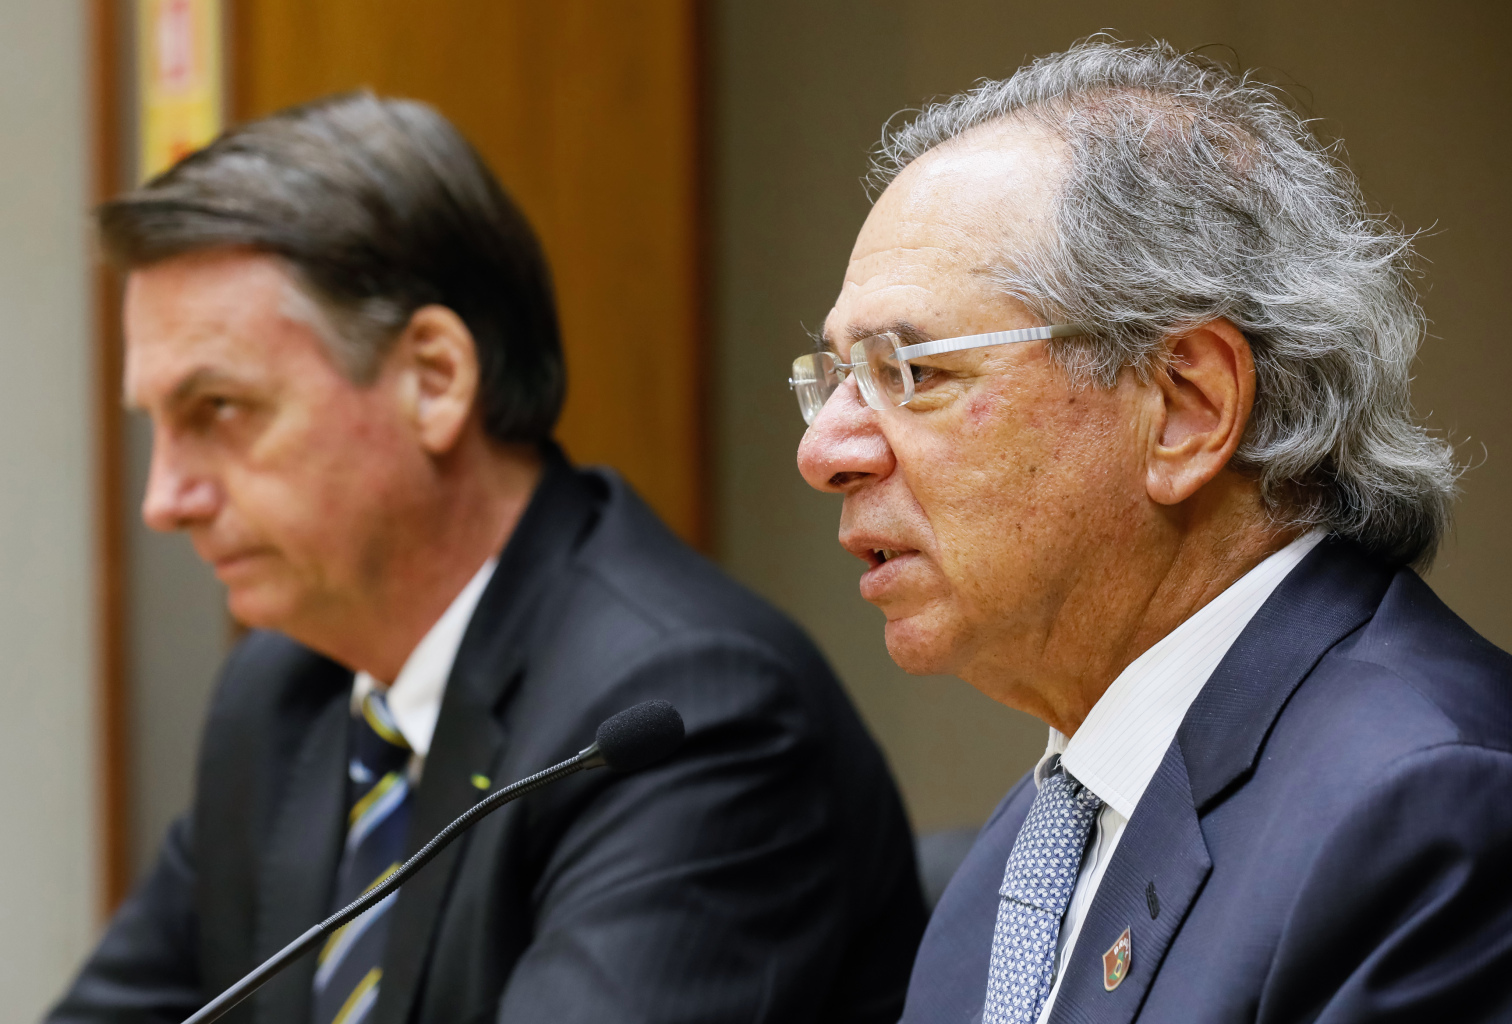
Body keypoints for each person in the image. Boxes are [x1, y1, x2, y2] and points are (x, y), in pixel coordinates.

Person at [50, 92, 925, 1024]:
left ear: (434, 379)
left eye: (218, 410)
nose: (164, 500)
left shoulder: (682, 713)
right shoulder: (280, 695)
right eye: (157, 429)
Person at [793, 38, 1512, 1024]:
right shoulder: (1007, 877)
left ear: (1187, 407)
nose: (824, 450)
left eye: (913, 372)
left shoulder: (1428, 809)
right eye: (837, 378)